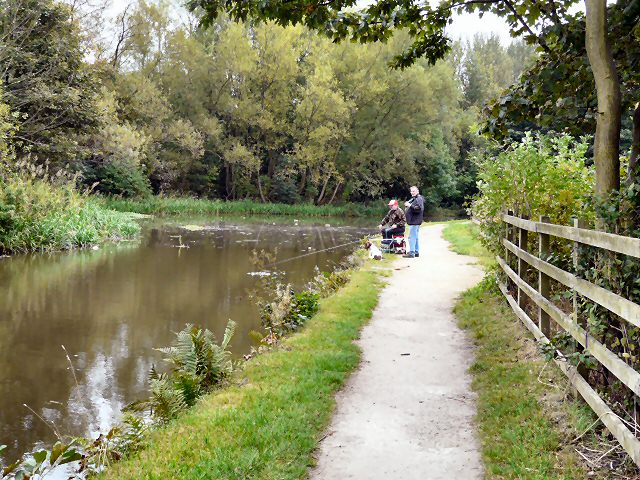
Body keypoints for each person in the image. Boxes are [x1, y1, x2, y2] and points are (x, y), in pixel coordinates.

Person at [403, 186, 424, 258]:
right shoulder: (415, 198)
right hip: (414, 221)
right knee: (415, 237)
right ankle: (416, 251)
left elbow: (418, 208)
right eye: (411, 191)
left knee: (411, 237)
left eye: (414, 191)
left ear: (417, 191)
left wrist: (409, 205)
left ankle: (412, 253)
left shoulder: (419, 198)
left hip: (415, 221)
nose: (412, 192)